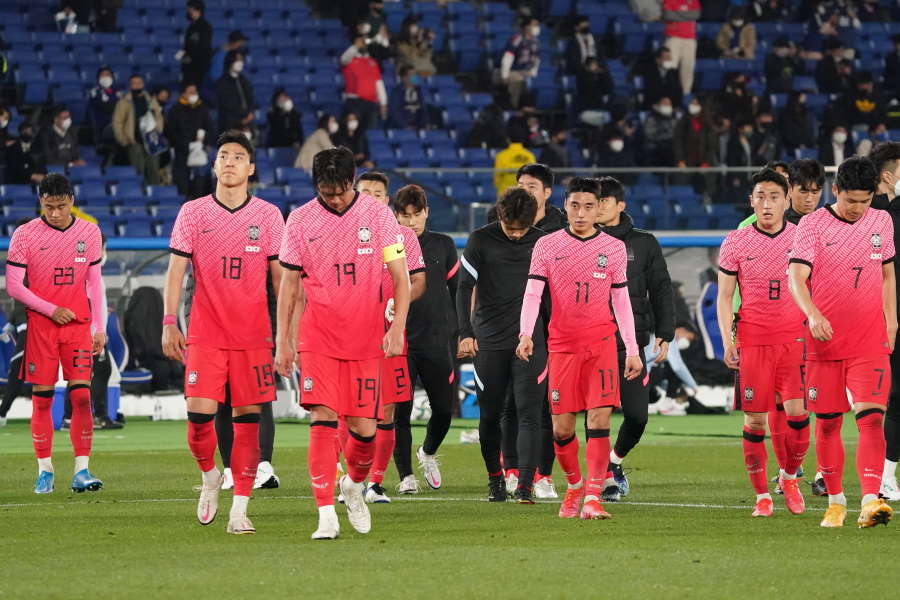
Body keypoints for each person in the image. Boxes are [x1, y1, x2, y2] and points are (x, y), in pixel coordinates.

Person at [274, 146, 411, 540]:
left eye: (340, 191)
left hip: (366, 340)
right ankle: (325, 515)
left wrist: (397, 327)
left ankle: (353, 486)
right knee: (321, 420)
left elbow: (400, 278)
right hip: (317, 338)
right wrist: (283, 340)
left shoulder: (379, 216)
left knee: (365, 431)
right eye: (326, 192)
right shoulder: (300, 220)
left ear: (353, 181)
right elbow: (289, 287)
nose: (334, 198)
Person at [162, 131, 285, 535]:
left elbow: (281, 281)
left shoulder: (269, 216)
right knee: (199, 419)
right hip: (206, 334)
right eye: (223, 156)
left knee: (247, 423)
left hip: (253, 338)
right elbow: (176, 273)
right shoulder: (193, 213)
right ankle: (210, 475)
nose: (229, 162)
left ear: (251, 168)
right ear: (214, 165)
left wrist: (287, 334)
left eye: (238, 156)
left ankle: (239, 510)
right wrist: (168, 322)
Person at [516, 176, 643, 519]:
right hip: (562, 348)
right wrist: (526, 333)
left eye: (589, 206)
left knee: (599, 420)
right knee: (562, 429)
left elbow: (622, 301)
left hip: (601, 346)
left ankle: (592, 497)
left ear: (599, 208)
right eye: (575, 206)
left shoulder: (613, 248)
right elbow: (533, 293)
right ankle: (574, 485)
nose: (581, 213)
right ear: (565, 206)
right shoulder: (547, 245)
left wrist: (632, 349)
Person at [788, 156, 896, 528]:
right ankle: (836, 502)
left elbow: (887, 275)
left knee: (872, 418)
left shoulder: (881, 221)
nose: (857, 208)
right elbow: (796, 278)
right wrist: (813, 314)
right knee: (829, 423)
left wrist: (892, 321)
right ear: (835, 191)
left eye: (865, 201)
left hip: (869, 340)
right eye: (851, 200)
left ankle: (870, 500)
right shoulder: (812, 225)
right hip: (825, 341)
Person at [716, 169, 810, 518]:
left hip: (794, 339)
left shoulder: (803, 238)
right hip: (753, 342)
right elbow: (724, 297)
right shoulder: (735, 241)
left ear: (787, 201)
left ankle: (789, 478)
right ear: (751, 201)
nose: (767, 204)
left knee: (799, 416)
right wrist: (727, 341)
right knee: (755, 421)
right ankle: (761, 497)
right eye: (760, 197)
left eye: (774, 197)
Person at [5, 174, 107, 494]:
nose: (55, 213)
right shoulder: (25, 234)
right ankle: (45, 471)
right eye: (48, 207)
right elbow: (13, 286)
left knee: (82, 396)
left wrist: (99, 327)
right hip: (42, 327)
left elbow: (95, 282)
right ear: (41, 202)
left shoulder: (89, 232)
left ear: (71, 201)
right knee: (42, 399)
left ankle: (82, 471)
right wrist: (51, 310)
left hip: (77, 325)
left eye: (61, 206)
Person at [457, 187, 548, 503]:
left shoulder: (543, 242)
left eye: (523, 228)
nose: (516, 234)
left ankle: (525, 485)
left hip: (531, 340)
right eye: (511, 227)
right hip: (489, 340)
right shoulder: (480, 240)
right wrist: (465, 332)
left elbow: (553, 292)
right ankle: (495, 480)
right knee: (490, 415)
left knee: (529, 413)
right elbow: (463, 287)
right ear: (500, 216)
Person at [595, 176, 674, 501]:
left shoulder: (643, 243)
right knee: (596, 415)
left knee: (638, 416)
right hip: (592, 345)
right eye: (594, 201)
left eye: (604, 201)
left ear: (621, 206)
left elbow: (661, 288)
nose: (598, 207)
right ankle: (602, 480)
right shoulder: (577, 243)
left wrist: (665, 332)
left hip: (631, 347)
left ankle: (614, 462)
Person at [352, 173, 425, 504]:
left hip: (389, 334)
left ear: (386, 200)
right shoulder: (340, 232)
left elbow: (417, 280)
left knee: (387, 411)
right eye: (364, 191)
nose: (370, 197)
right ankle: (352, 480)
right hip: (350, 335)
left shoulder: (403, 236)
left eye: (377, 193)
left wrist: (399, 302)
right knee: (351, 411)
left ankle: (376, 484)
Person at [393, 184, 459, 494]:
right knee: (400, 413)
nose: (411, 222)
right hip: (400, 341)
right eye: (405, 216)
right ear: (396, 216)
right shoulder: (389, 245)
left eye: (416, 214)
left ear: (426, 213)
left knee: (444, 410)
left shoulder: (443, 245)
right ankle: (406, 476)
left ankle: (428, 452)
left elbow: (459, 292)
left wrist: (463, 332)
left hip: (436, 339)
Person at [870, 142, 900, 500]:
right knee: (884, 399)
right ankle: (883, 476)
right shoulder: (872, 216)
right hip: (875, 320)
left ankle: (886, 475)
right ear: (888, 176)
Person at [112, 74, 164, 185]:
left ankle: (154, 194)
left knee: (154, 171)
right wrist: (124, 140)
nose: (136, 86)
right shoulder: (124, 102)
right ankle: (139, 194)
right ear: (130, 85)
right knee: (138, 172)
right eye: (134, 84)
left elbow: (159, 118)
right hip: (134, 142)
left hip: (151, 142)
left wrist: (158, 132)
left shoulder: (150, 100)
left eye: (139, 83)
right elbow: (117, 122)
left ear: (143, 84)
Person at [165, 83, 215, 197]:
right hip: (182, 151)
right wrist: (186, 145)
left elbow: (210, 128)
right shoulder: (175, 110)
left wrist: (203, 140)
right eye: (190, 92)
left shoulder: (203, 109)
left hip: (200, 151)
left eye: (195, 92)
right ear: (183, 93)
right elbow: (171, 132)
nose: (194, 94)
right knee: (183, 182)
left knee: (200, 182)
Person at [341, 41, 387, 131]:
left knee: (371, 130)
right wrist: (355, 46)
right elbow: (344, 59)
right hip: (354, 102)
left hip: (371, 103)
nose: (363, 45)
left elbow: (378, 83)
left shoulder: (372, 62)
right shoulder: (350, 60)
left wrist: (383, 103)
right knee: (353, 129)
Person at [499, 17, 541, 110]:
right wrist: (504, 75)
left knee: (537, 82)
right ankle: (514, 108)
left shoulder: (536, 42)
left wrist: (533, 74)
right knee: (518, 81)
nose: (537, 27)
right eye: (534, 25)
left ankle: (532, 109)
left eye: (537, 25)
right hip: (514, 71)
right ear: (527, 27)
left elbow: (537, 60)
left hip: (527, 71)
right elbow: (508, 57)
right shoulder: (517, 39)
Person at [662, 0, 700, 95]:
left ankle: (686, 94)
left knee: (688, 69)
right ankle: (667, 94)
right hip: (673, 38)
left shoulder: (693, 1)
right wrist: (688, 16)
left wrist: (677, 14)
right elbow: (668, 15)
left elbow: (696, 15)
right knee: (669, 67)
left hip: (690, 39)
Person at [215, 51, 255, 135]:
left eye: (241, 60)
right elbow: (227, 104)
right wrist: (241, 118)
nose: (240, 63)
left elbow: (250, 98)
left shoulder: (243, 80)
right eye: (237, 60)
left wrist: (250, 113)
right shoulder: (223, 82)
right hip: (230, 123)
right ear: (230, 61)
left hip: (246, 120)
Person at [180, 0, 213, 86]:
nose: (187, 11)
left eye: (189, 9)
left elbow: (202, 47)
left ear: (197, 10)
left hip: (197, 67)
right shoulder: (191, 26)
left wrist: (188, 60)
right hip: (189, 66)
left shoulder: (204, 26)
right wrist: (181, 59)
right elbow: (187, 46)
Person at [493, 131, 535, 196]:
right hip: (525, 194)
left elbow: (497, 177)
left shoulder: (501, 155)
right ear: (523, 140)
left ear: (508, 139)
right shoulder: (530, 156)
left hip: (505, 193)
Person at [88, 66, 119, 152]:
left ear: (112, 77)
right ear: (98, 78)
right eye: (103, 75)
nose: (105, 77)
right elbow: (108, 108)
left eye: (108, 75)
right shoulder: (95, 92)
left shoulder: (117, 92)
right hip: (104, 128)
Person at [389, 66, 428, 130]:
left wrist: (424, 124)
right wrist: (405, 126)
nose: (415, 77)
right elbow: (394, 112)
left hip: (418, 127)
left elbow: (423, 109)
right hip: (402, 129)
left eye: (415, 74)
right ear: (404, 78)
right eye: (412, 75)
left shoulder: (418, 91)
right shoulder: (397, 92)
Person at [644, 96, 677, 166]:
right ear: (659, 105)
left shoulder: (674, 118)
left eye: (669, 104)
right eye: (665, 104)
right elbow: (649, 135)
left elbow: (677, 134)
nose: (667, 106)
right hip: (655, 151)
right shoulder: (651, 118)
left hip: (671, 151)